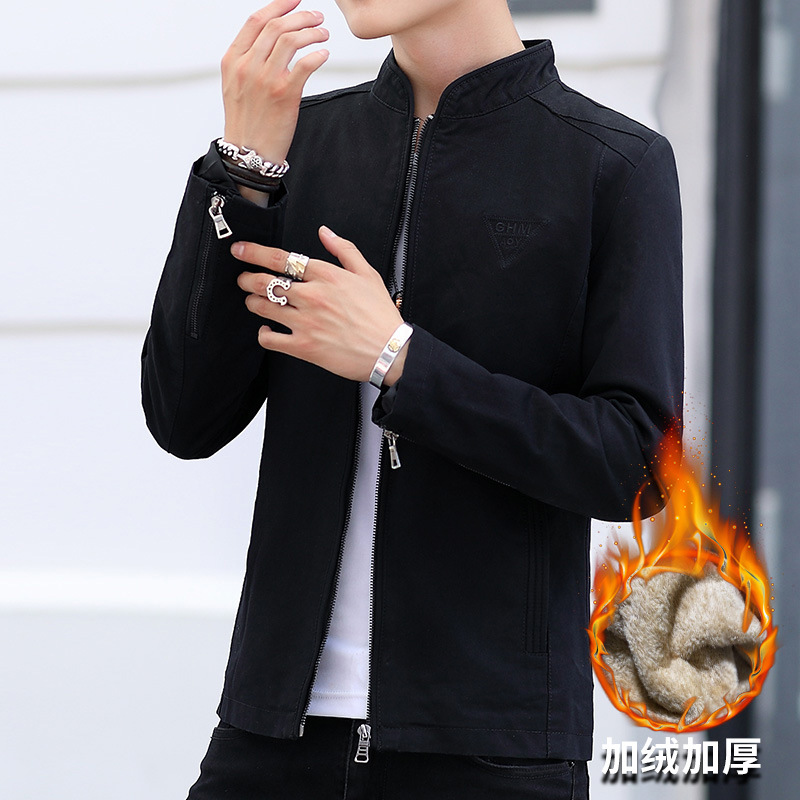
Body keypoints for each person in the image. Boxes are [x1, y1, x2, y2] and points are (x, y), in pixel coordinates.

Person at [141, 0, 683, 797]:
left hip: (489, 752)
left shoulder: (612, 162)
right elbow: (184, 417)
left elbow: (635, 464)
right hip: (269, 738)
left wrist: (401, 360)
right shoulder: (297, 145)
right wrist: (240, 173)